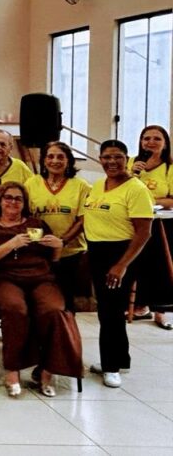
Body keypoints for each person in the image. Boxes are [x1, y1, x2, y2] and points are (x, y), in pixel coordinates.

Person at [0, 181, 83, 397]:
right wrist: (11, 244)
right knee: (15, 308)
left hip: (41, 277)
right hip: (4, 278)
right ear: (0, 201)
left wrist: (58, 247)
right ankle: (12, 371)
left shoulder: (37, 224)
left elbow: (53, 260)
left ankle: (47, 370)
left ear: (25, 203)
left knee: (54, 310)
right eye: (8, 197)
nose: (13, 202)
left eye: (18, 198)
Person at [83, 140, 153, 388]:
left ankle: (111, 367)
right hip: (97, 251)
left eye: (118, 157)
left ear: (127, 159)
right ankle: (120, 359)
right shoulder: (99, 185)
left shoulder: (136, 189)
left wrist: (122, 265)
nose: (111, 162)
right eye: (106, 157)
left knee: (110, 312)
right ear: (100, 159)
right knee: (109, 309)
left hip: (121, 253)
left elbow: (144, 232)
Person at [24, 141, 90, 311]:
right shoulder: (31, 184)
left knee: (65, 300)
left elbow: (83, 219)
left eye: (61, 157)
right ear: (44, 160)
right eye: (50, 156)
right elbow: (26, 217)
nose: (55, 161)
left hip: (71, 253)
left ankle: (65, 335)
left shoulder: (81, 186)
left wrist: (62, 241)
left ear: (69, 160)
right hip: (39, 252)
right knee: (38, 299)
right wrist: (37, 242)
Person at [128, 125, 173, 329]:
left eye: (157, 139)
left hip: (163, 223)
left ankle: (161, 310)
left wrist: (149, 199)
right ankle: (140, 305)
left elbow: (172, 200)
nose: (151, 143)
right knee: (138, 262)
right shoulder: (132, 163)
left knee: (160, 265)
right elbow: (122, 188)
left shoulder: (170, 167)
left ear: (165, 144)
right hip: (135, 222)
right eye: (146, 138)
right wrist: (133, 174)